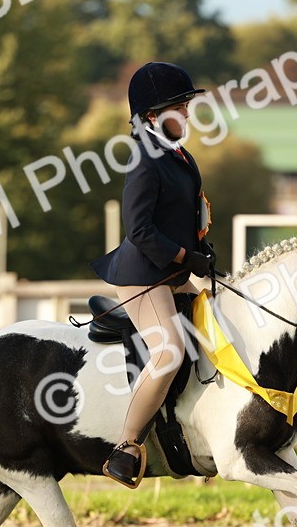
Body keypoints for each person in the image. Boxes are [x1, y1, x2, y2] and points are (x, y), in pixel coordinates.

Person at [88, 62, 215, 488]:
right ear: (152, 117)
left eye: (187, 106)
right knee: (171, 351)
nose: (188, 114)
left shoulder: (179, 156)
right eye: (181, 107)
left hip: (175, 270)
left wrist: (200, 251)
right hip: (145, 274)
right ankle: (126, 448)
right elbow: (139, 230)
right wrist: (184, 256)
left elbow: (187, 213)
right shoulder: (145, 160)